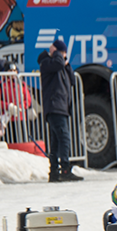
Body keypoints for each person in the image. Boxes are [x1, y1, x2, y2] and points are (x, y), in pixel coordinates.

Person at [38, 39, 81, 182]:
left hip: (61, 107)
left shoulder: (60, 65)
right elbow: (58, 63)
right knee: (64, 138)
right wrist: (56, 53)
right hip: (54, 106)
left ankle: (54, 172)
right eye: (62, 53)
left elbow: (72, 80)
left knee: (56, 141)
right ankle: (65, 169)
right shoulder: (47, 63)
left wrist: (67, 64)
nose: (63, 56)